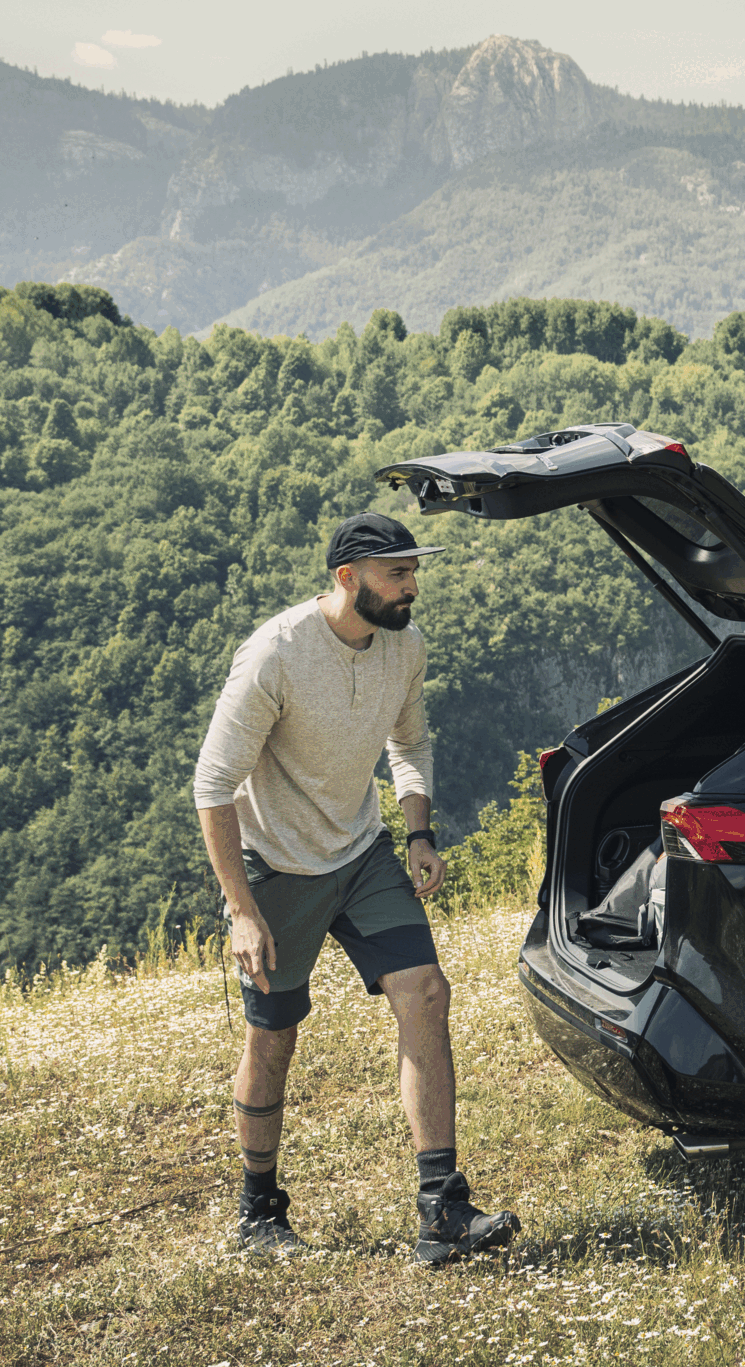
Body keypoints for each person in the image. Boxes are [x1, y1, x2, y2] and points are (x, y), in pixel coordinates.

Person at [194, 511, 520, 1265]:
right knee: (274, 1036)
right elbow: (212, 786)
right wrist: (241, 908)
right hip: (277, 866)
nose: (412, 588)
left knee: (426, 991)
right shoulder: (275, 656)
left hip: (364, 852)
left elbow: (409, 743)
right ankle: (258, 1212)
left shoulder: (403, 647)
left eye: (414, 572)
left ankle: (442, 1211)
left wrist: (418, 833)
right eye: (396, 574)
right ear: (348, 579)